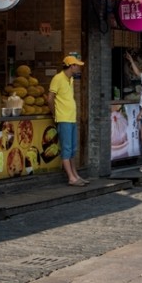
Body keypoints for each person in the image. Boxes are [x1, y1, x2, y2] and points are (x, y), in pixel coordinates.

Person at [46, 55, 89, 186]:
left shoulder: (70, 79)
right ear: (71, 66)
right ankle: (71, 178)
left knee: (72, 150)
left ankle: (75, 175)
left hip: (71, 118)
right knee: (66, 149)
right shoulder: (58, 78)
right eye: (77, 65)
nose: (79, 68)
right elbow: (50, 98)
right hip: (63, 118)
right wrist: (55, 114)